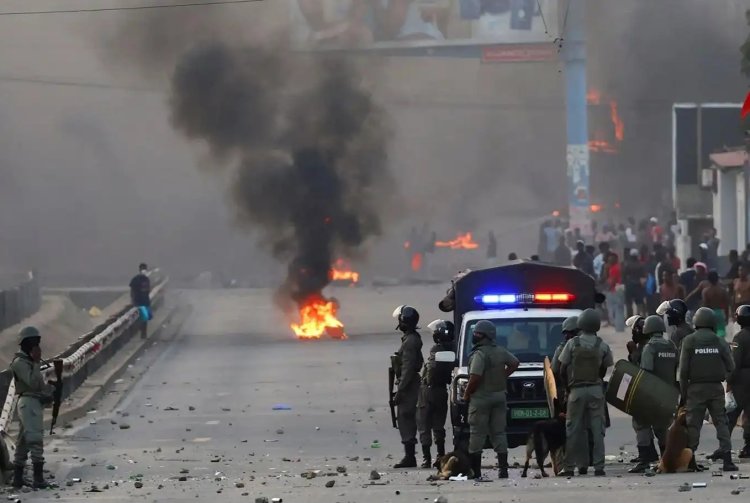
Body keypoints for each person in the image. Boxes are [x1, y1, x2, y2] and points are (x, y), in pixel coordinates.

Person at [678, 307, 738, 472]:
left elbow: (683, 372)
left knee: (693, 425)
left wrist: (683, 396)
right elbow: (731, 367)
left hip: (695, 389)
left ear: (696, 322)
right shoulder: (720, 341)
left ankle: (690, 461)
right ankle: (727, 460)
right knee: (721, 422)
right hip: (716, 388)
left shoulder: (689, 341)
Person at [558, 309, 614, 476]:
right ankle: (599, 467)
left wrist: (568, 387)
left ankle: (569, 467)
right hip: (596, 390)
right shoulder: (602, 345)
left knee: (574, 430)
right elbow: (605, 367)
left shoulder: (572, 344)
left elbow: (561, 368)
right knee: (597, 431)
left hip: (576, 391)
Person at [462, 320, 519, 480]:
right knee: (499, 432)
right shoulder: (500, 351)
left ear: (484, 336)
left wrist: (467, 394)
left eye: (477, 333)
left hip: (481, 398)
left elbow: (475, 377)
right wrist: (502, 377)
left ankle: (476, 471)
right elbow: (515, 363)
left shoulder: (479, 354)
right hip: (499, 396)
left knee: (477, 434)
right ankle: (503, 470)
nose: (475, 336)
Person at [629, 316, 679, 473]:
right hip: (668, 392)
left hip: (651, 392)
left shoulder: (650, 347)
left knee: (641, 423)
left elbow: (646, 372)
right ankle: (666, 458)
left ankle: (645, 459)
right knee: (662, 426)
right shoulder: (671, 345)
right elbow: (676, 366)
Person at [10, 327, 54, 489]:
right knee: (35, 439)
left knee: (23, 441)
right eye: (33, 343)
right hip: (28, 403)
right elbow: (31, 383)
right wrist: (36, 362)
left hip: (33, 402)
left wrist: (47, 394)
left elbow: (39, 385)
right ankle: (38, 478)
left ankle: (18, 478)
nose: (36, 346)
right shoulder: (20, 363)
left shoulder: (28, 361)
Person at [417, 319, 455, 468]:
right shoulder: (453, 349)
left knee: (424, 424)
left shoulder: (436, 350)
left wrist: (427, 380)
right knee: (439, 425)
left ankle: (427, 458)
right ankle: (440, 455)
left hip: (429, 390)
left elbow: (431, 369)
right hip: (442, 391)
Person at [391, 305, 424, 468]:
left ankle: (410, 457)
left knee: (406, 418)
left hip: (409, 385)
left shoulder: (410, 341)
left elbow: (408, 367)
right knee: (406, 418)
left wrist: (401, 391)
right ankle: (411, 456)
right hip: (409, 383)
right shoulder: (410, 338)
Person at [727, 305, 750, 458]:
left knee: (732, 413)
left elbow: (734, 363)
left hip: (742, 379)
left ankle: (724, 447)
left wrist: (729, 381)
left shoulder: (739, 337)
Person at [552, 316, 579, 400]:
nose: (566, 336)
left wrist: (567, 388)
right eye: (565, 333)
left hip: (572, 393)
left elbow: (555, 369)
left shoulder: (562, 348)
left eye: (569, 333)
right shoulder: (597, 344)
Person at [701, 271, 730, 338]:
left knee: (711, 335)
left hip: (710, 314)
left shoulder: (706, 291)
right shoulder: (722, 290)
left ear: (708, 280)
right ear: (717, 279)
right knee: (721, 336)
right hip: (720, 313)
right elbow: (726, 305)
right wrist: (727, 318)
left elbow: (705, 305)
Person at [603, 253, 625, 332]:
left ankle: (618, 327)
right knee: (619, 309)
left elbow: (612, 281)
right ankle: (619, 326)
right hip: (618, 289)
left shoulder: (614, 268)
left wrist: (607, 288)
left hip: (615, 290)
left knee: (617, 309)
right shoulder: (615, 267)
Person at [129, 263, 151, 338]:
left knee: (145, 318)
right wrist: (133, 300)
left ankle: (143, 333)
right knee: (143, 318)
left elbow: (148, 290)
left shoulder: (146, 279)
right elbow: (132, 291)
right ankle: (143, 334)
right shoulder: (136, 279)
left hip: (145, 302)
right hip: (139, 302)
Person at [623, 249, 646, 317]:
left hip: (629, 285)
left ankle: (629, 316)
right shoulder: (640, 265)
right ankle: (639, 315)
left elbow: (624, 275)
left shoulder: (627, 264)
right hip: (638, 285)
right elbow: (644, 276)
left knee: (629, 303)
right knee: (639, 302)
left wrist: (625, 283)